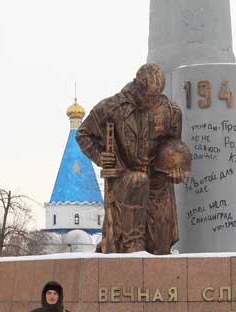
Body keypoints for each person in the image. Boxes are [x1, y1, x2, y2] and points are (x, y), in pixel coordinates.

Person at [76, 63, 189, 254]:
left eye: (155, 97)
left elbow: (173, 148)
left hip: (157, 182)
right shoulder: (111, 107)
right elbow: (83, 135)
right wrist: (100, 157)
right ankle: (131, 243)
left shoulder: (171, 112)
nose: (151, 101)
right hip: (124, 178)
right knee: (138, 180)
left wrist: (176, 170)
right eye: (147, 96)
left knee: (160, 248)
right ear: (137, 84)